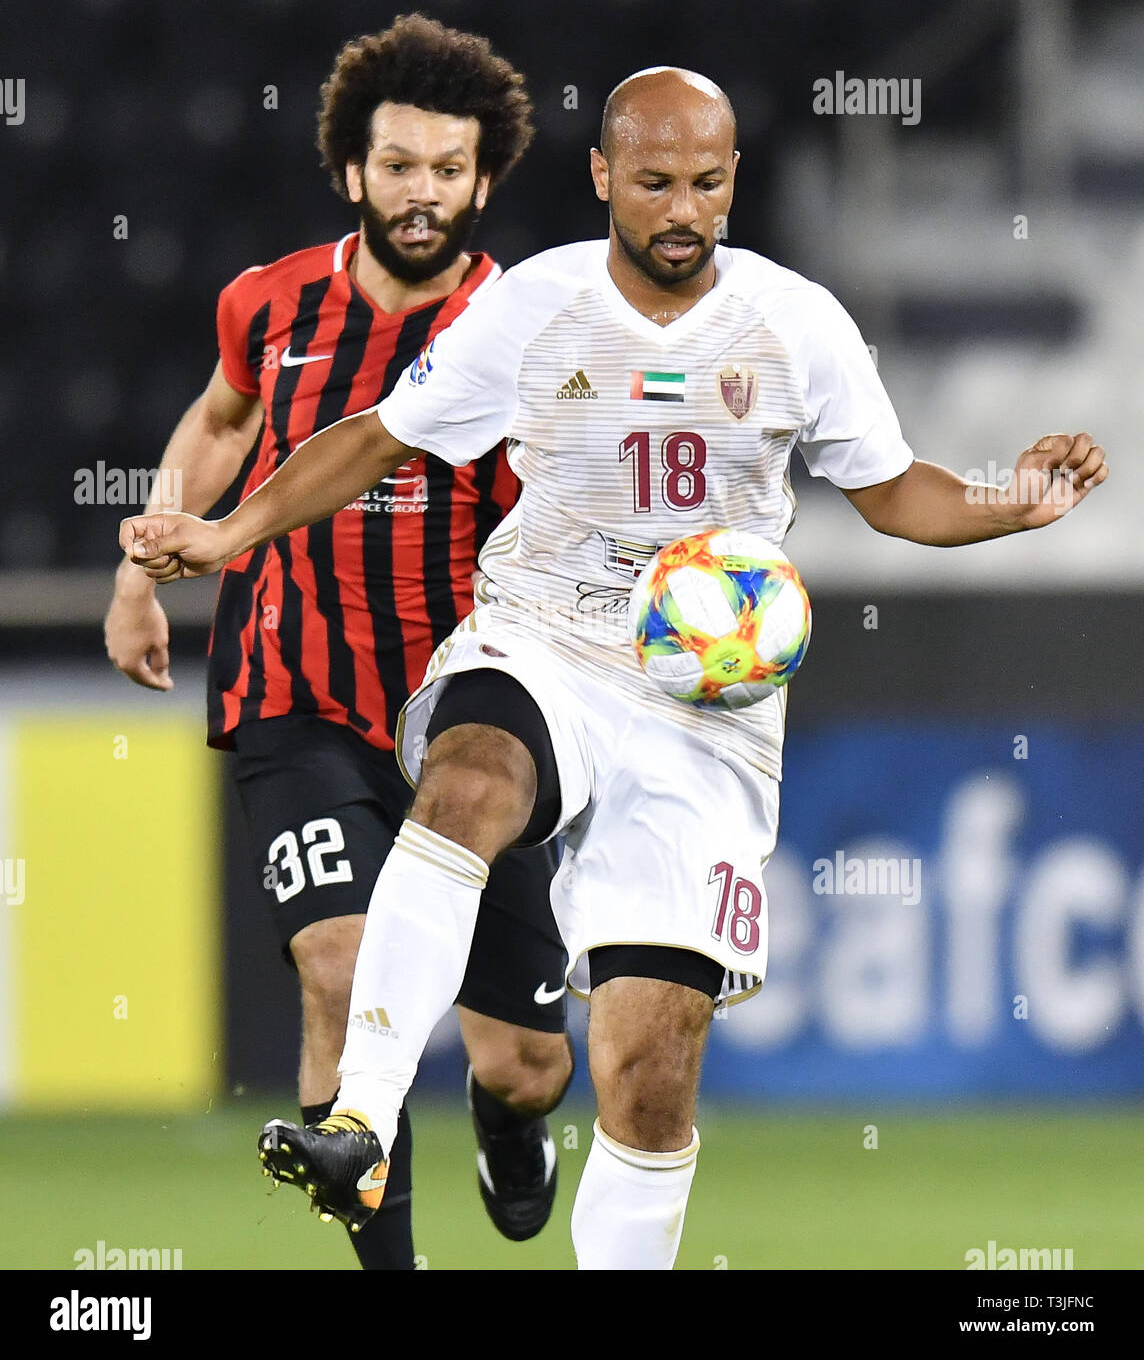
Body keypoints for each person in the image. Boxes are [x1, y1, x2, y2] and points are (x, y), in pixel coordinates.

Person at [120, 65, 1108, 1270]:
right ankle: (362, 1118)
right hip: (543, 637)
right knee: (471, 781)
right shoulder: (535, 306)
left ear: (733, 178)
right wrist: (225, 534)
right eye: (652, 183)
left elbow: (896, 493)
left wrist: (1015, 498)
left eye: (705, 182)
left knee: (648, 1068)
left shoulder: (797, 323)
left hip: (706, 707)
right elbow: (380, 434)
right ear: (602, 178)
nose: (680, 210)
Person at [104, 14, 574, 1270]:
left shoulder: (527, 333)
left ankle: (508, 1119)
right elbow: (217, 422)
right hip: (295, 691)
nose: (422, 193)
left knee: (526, 1058)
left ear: (484, 179)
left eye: (447, 169)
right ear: (350, 170)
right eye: (399, 165)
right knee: (341, 965)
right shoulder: (268, 304)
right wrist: (143, 567)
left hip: (473, 720)